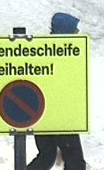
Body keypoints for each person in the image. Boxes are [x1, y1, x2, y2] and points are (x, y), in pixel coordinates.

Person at [26, 12, 87, 170]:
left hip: (42, 114)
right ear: (66, 31)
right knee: (75, 161)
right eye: (74, 30)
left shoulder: (43, 51)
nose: (78, 33)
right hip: (59, 115)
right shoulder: (63, 55)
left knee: (47, 156)